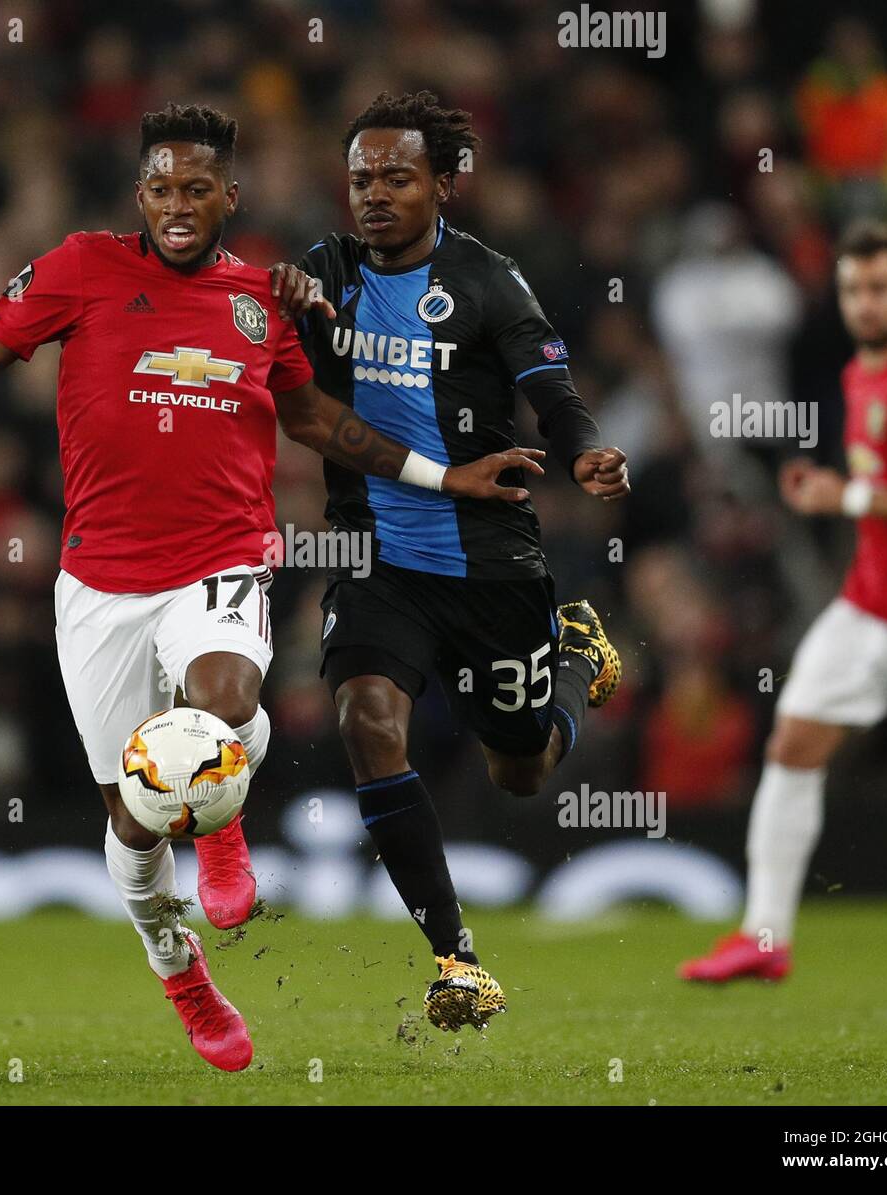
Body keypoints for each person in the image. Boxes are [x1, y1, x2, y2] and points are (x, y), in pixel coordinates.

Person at [0, 103, 545, 1070]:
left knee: (226, 698)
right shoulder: (78, 269)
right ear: (139, 194)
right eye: (161, 188)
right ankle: (178, 965)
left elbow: (317, 419)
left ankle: (224, 829)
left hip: (224, 556)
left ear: (230, 196)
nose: (179, 206)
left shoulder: (260, 297)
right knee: (133, 818)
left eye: (199, 189)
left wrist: (444, 476)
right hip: (99, 583)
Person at [276, 92, 629, 1031]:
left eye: (397, 176)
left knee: (520, 768)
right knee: (364, 719)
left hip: (488, 563)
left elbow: (546, 380)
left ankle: (569, 655)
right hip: (377, 556)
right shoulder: (326, 272)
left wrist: (585, 445)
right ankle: (457, 957)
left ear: (444, 182)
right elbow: (287, 340)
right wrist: (289, 300)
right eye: (361, 179)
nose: (375, 195)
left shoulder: (488, 280)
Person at [680, 220, 887, 982]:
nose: (864, 303)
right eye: (851, 289)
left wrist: (852, 494)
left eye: (878, 288)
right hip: (868, 606)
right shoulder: (859, 373)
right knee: (793, 746)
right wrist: (831, 495)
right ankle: (765, 937)